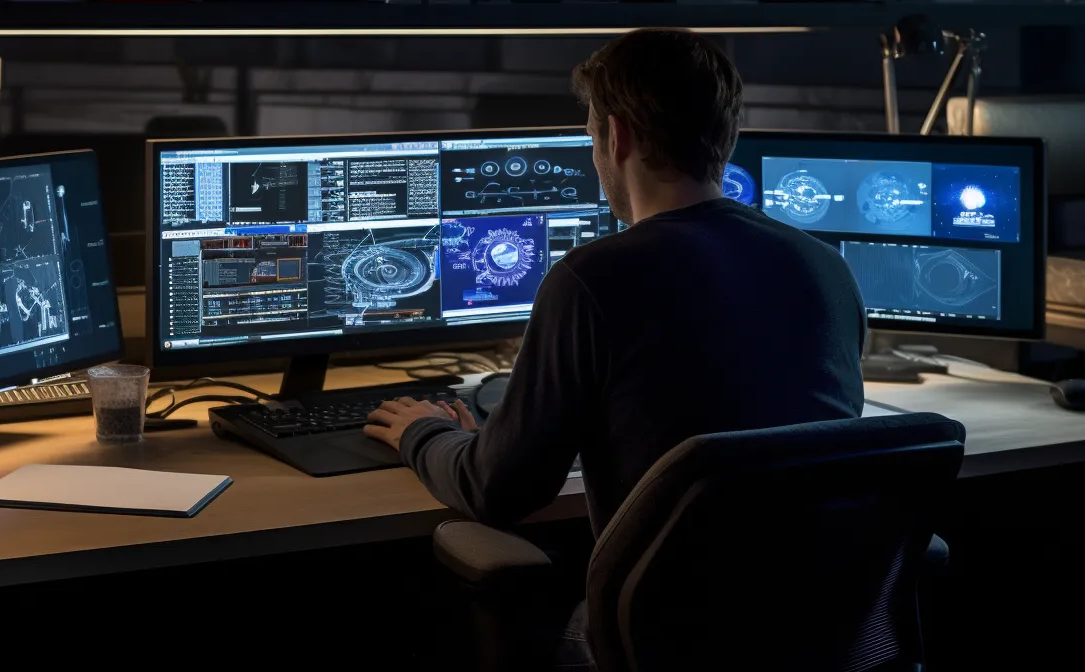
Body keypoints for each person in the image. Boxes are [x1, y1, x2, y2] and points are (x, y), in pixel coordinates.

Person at [363, 27, 867, 664]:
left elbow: (500, 491)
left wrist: (424, 433)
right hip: (825, 632)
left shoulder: (592, 279)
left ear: (617, 135)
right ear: (725, 134)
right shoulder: (825, 266)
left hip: (660, 641)